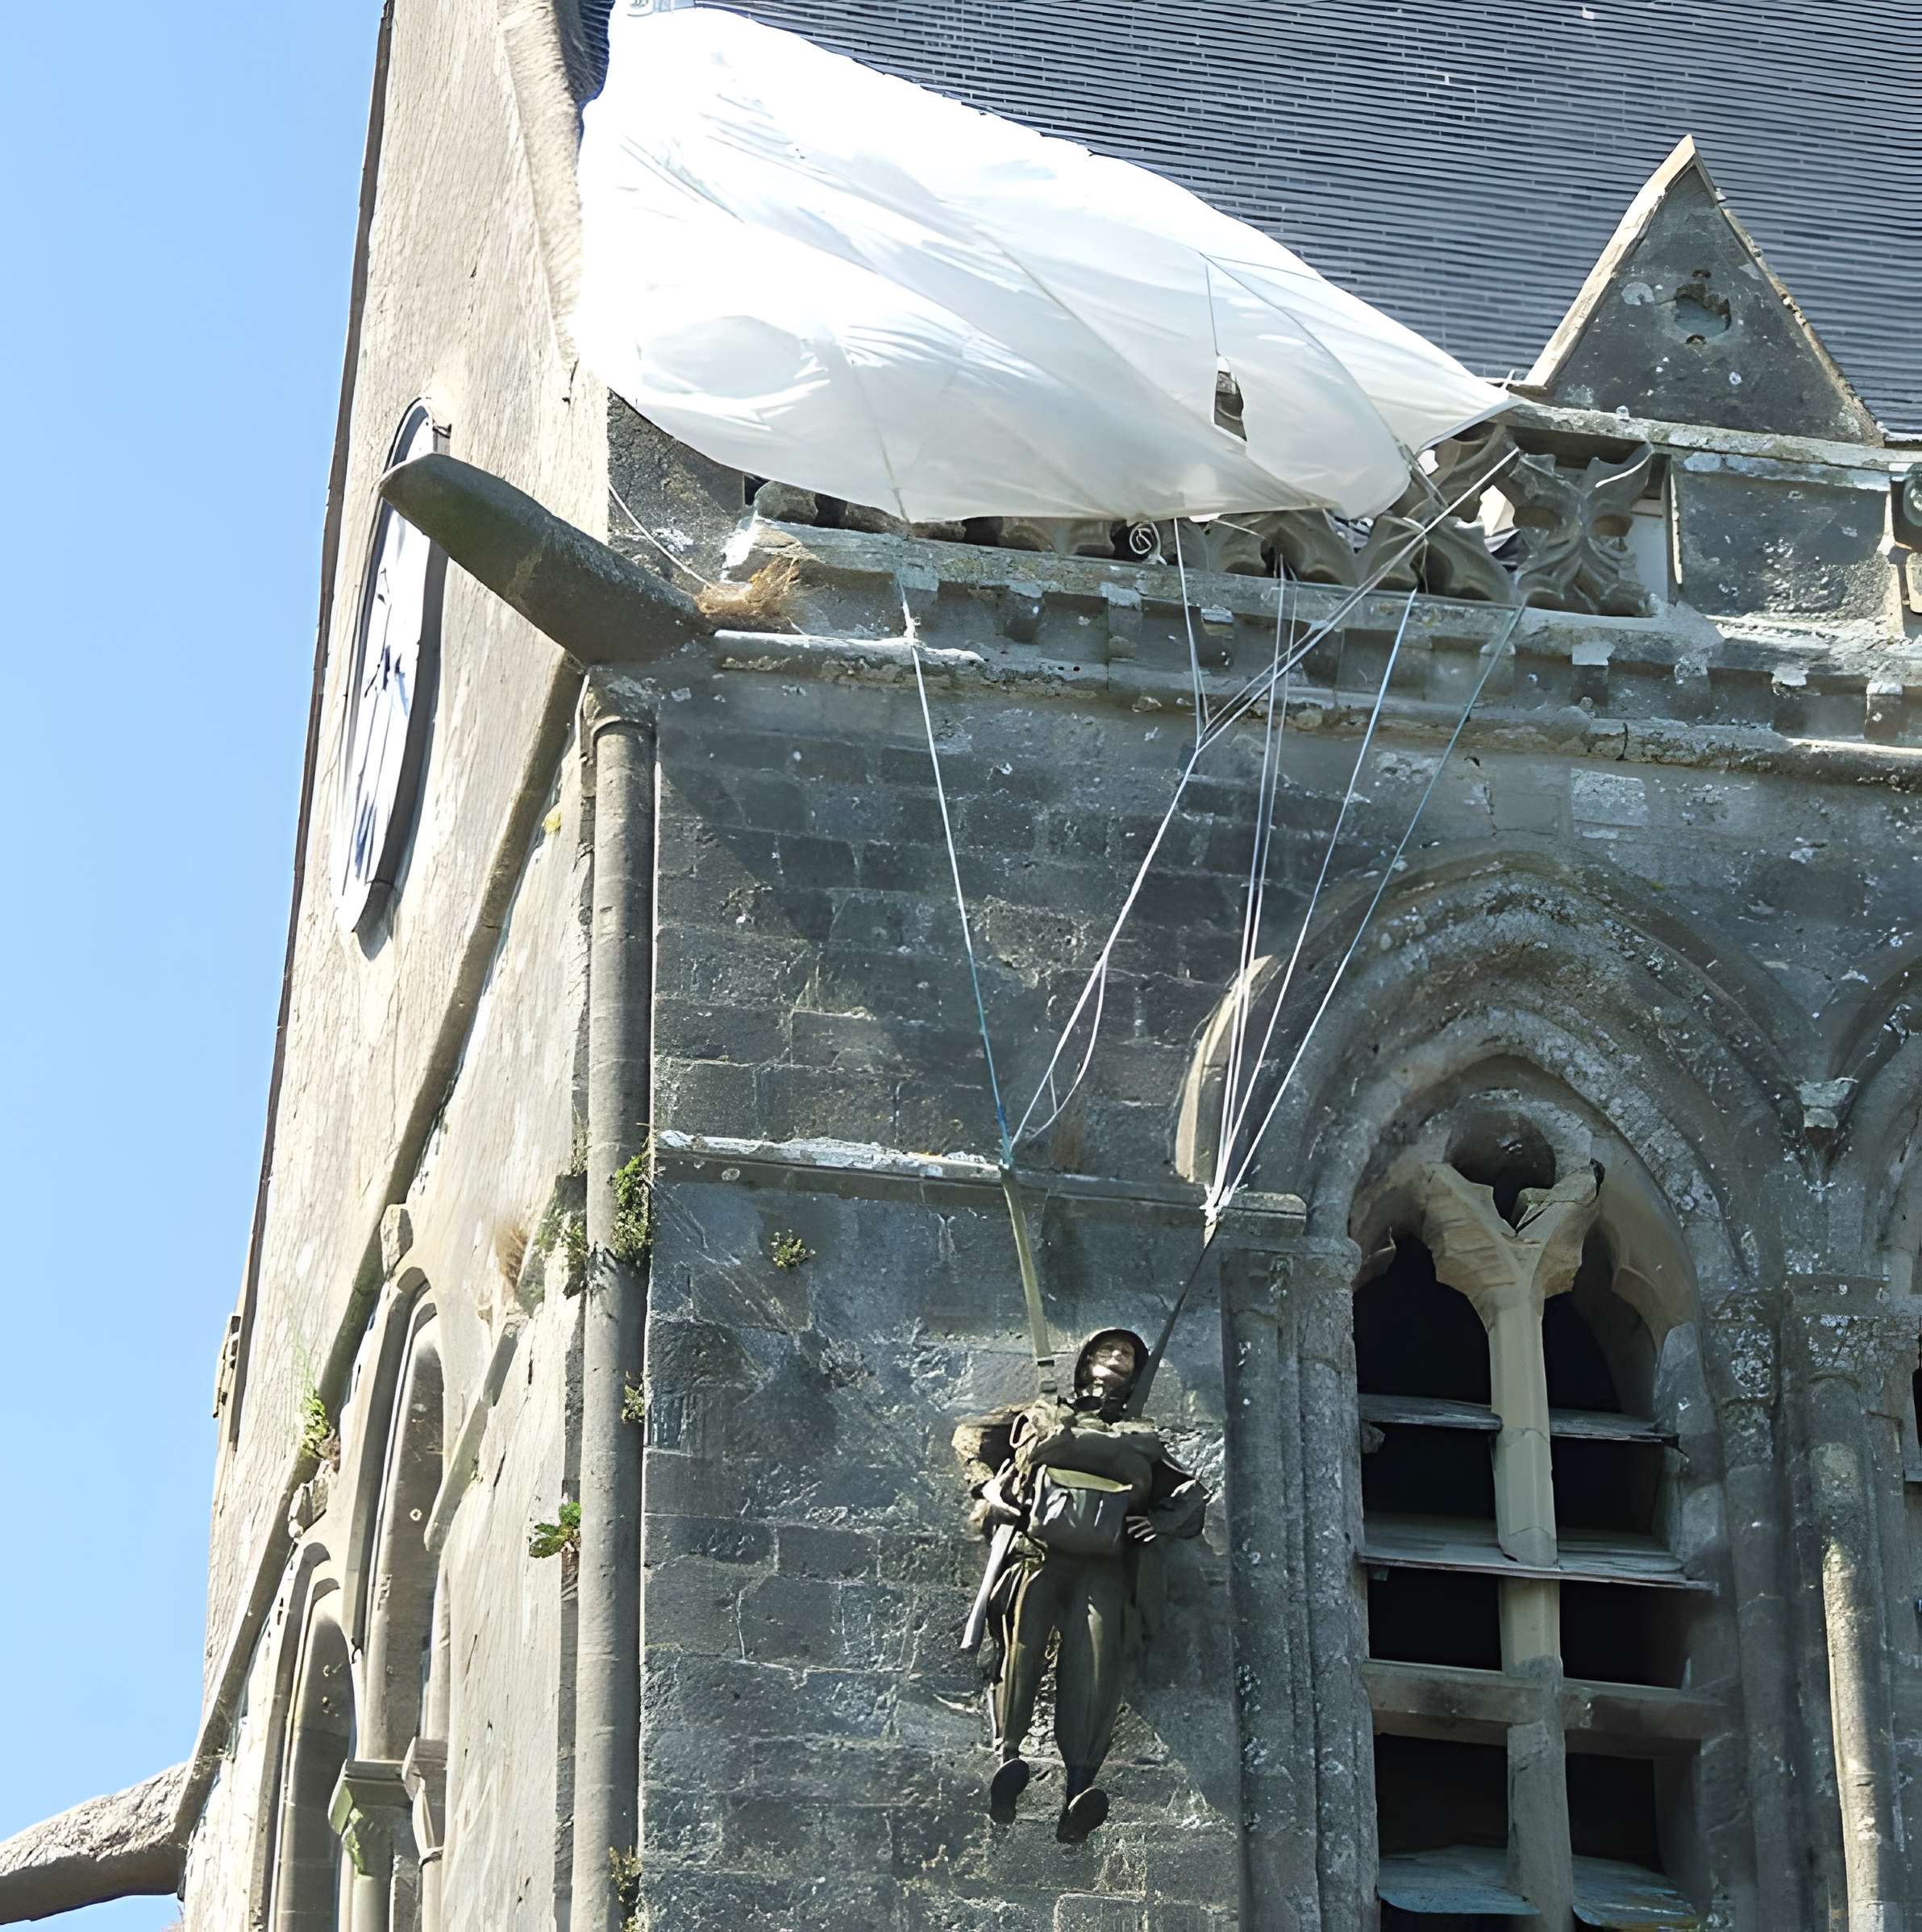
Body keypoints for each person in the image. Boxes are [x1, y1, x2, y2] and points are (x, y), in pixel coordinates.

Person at [955, 1328, 1209, 1842]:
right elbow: (969, 1438)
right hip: (1037, 1552)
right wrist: (991, 1490)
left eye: (1129, 1357)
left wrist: (1160, 1521)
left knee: (1097, 1662)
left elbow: (1191, 1494)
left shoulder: (1142, 1436)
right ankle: (1007, 1759)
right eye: (1109, 1351)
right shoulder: (1039, 1412)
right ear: (1086, 1361)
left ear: (1135, 1376)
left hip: (1105, 1565)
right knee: (1020, 1648)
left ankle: (1079, 1787)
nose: (1118, 1359)